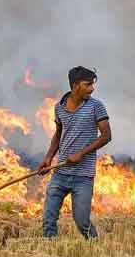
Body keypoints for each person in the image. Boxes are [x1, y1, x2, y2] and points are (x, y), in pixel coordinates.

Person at [39, 66, 112, 239]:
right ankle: (49, 256)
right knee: (48, 219)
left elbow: (106, 136)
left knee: (82, 222)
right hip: (60, 173)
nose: (92, 88)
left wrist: (81, 153)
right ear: (75, 85)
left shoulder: (96, 107)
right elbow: (58, 134)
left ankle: (96, 249)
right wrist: (48, 158)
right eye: (88, 84)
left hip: (83, 176)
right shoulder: (59, 107)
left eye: (92, 84)